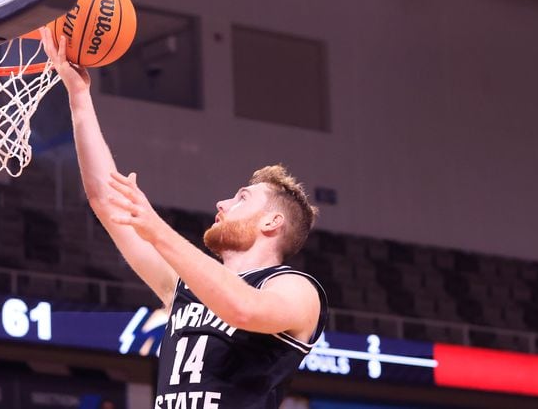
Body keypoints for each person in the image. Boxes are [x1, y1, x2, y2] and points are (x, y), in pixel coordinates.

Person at [40, 28, 328, 409]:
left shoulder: (297, 290)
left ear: (272, 222)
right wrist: (79, 98)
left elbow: (243, 309)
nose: (222, 203)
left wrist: (157, 230)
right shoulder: (187, 286)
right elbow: (106, 202)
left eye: (242, 197)